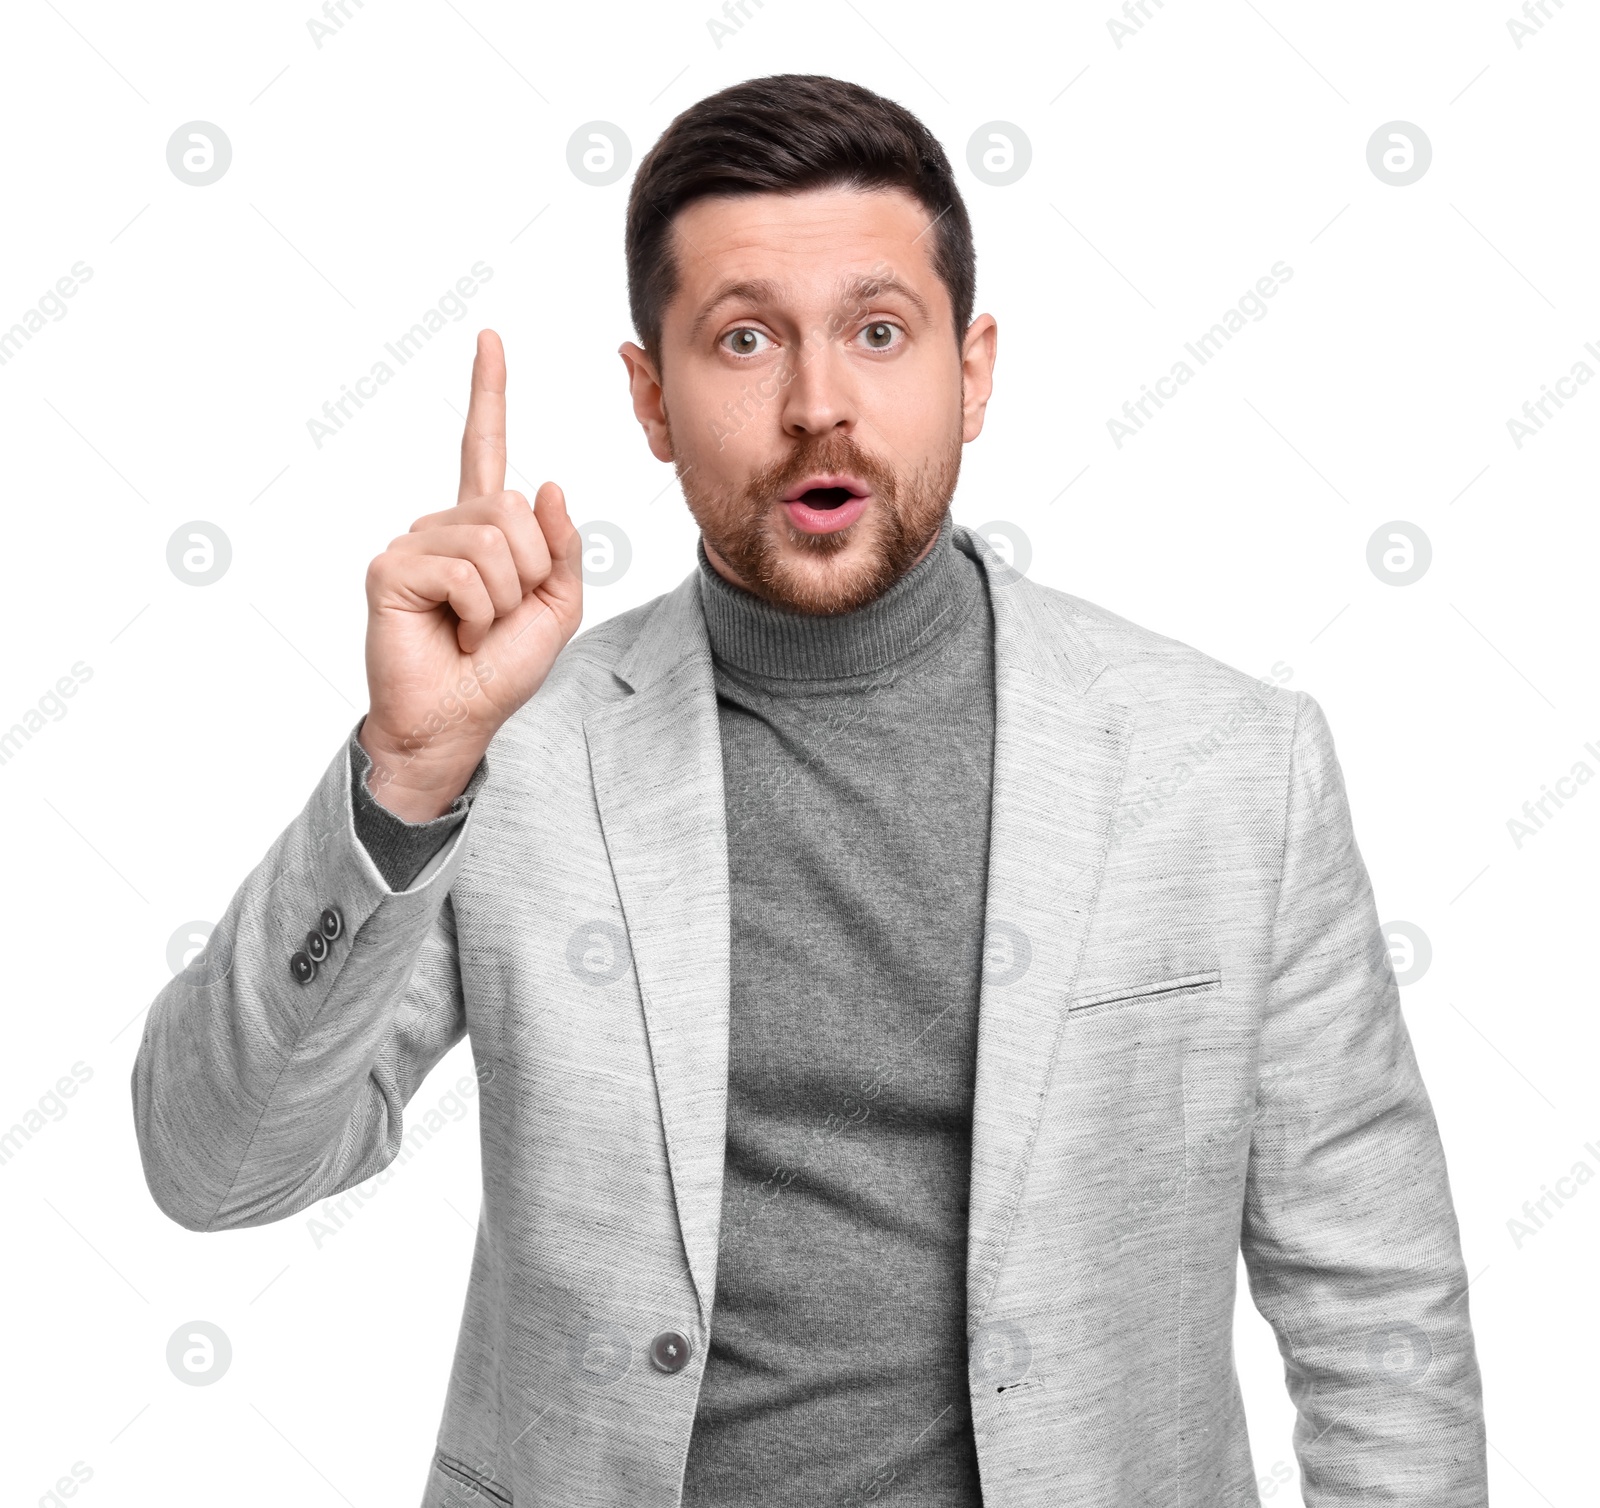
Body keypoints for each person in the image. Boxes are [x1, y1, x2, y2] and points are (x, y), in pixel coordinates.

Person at [131, 73, 1488, 1507]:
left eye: (878, 332)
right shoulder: (515, 755)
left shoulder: (1228, 768)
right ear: (651, 400)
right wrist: (405, 776)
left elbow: (1377, 1307)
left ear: (972, 372)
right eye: (745, 339)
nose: (818, 405)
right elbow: (215, 1167)